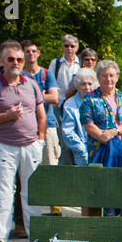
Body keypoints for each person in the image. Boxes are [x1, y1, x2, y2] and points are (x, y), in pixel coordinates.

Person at [0, 40, 45, 242]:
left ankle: (36, 237)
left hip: (31, 146)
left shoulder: (32, 84)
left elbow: (40, 114)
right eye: (11, 59)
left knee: (33, 193)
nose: (16, 63)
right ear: (2, 61)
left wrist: (40, 140)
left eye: (19, 59)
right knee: (2, 194)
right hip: (5, 146)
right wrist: (6, 116)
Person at [82, 59, 122, 170]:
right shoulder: (90, 98)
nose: (108, 79)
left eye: (111, 75)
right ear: (98, 77)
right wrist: (104, 137)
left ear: (117, 77)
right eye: (104, 76)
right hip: (101, 147)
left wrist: (114, 132)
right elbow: (88, 124)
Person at [22, 39, 62, 179]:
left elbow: (54, 98)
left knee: (50, 165)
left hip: (48, 125)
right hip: (27, 126)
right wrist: (42, 95)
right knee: (29, 167)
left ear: (38, 53)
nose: (31, 54)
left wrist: (30, 97)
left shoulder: (46, 74)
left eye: (33, 51)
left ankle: (52, 201)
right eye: (27, 51)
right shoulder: (20, 76)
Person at [60, 68, 97, 167]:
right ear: (77, 86)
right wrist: (82, 150)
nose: (87, 87)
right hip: (81, 154)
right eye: (83, 84)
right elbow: (68, 133)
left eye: (90, 84)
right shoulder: (70, 104)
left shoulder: (99, 101)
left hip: (99, 151)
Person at [47, 35, 82, 102]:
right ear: (62, 47)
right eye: (66, 46)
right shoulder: (55, 63)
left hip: (76, 102)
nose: (69, 48)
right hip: (58, 103)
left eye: (72, 46)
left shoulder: (81, 64)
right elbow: (49, 82)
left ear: (77, 48)